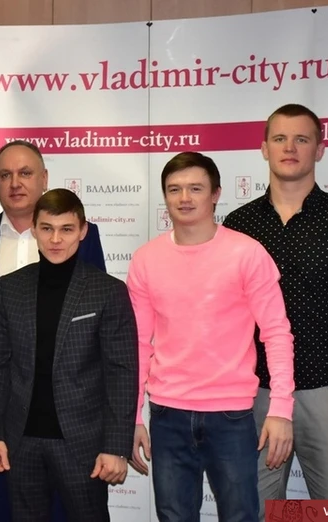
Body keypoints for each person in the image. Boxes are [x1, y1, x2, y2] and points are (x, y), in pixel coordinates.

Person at [223, 104, 328, 518]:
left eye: (302, 139)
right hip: (257, 393)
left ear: (320, 149)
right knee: (253, 510)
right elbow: (224, 316)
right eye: (280, 138)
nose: (290, 148)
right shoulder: (238, 226)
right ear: (264, 148)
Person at [127, 152, 295, 522]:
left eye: (195, 188)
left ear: (216, 194)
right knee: (173, 517)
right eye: (174, 189)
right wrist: (133, 414)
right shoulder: (146, 259)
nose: (184, 198)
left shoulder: (247, 253)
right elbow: (138, 342)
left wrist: (281, 408)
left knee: (240, 516)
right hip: (167, 414)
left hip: (231, 415)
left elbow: (277, 333)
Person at [0, 140, 105, 522]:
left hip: (68, 409)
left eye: (25, 173)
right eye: (5, 175)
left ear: (44, 178)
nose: (15, 183)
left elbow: (97, 324)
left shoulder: (83, 236)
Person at [0, 188, 138, 522]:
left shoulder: (108, 291)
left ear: (82, 231)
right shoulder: (10, 288)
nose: (55, 239)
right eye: (47, 228)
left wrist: (116, 446)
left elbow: (122, 374)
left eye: (66, 229)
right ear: (34, 229)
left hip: (83, 443)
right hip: (21, 442)